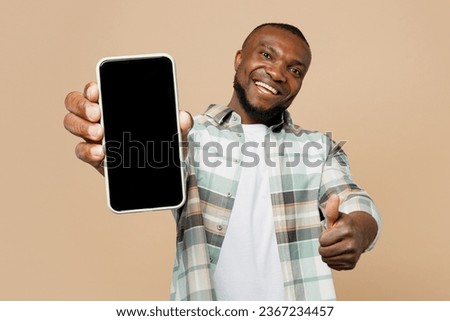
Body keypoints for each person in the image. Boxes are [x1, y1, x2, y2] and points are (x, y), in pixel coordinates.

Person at [64, 22, 381, 301]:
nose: (278, 73)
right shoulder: (189, 134)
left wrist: (357, 230)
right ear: (239, 59)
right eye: (267, 55)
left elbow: (355, 199)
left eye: (295, 70)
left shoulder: (317, 147)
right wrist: (115, 152)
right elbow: (149, 171)